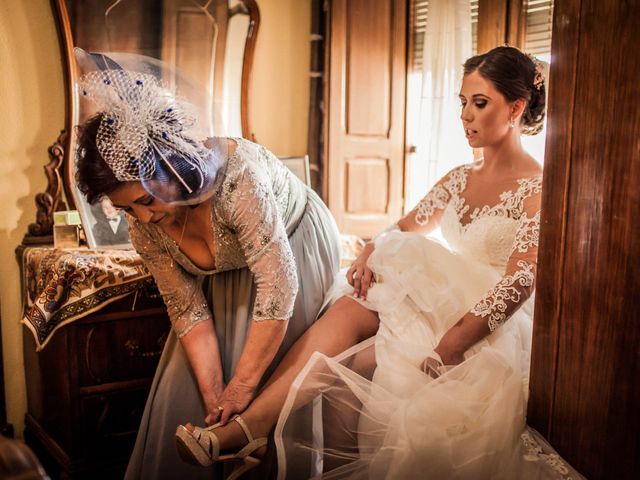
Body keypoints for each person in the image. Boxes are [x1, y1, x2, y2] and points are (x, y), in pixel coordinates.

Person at [174, 46, 583, 479]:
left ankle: (246, 430)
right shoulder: (459, 178)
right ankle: (247, 428)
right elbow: (404, 228)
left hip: (486, 322)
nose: (465, 115)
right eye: (462, 102)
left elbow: (520, 281)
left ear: (516, 108)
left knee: (353, 369)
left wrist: (454, 343)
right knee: (351, 309)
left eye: (480, 103)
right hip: (441, 300)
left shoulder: (537, 188)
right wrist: (370, 250)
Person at [74, 59, 341, 480]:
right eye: (126, 209)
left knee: (270, 381)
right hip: (235, 268)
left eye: (145, 201)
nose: (141, 219)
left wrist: (242, 388)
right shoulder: (146, 226)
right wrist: (218, 398)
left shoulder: (240, 182)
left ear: (173, 169)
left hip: (292, 247)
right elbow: (188, 311)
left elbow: (277, 287)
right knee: (196, 397)